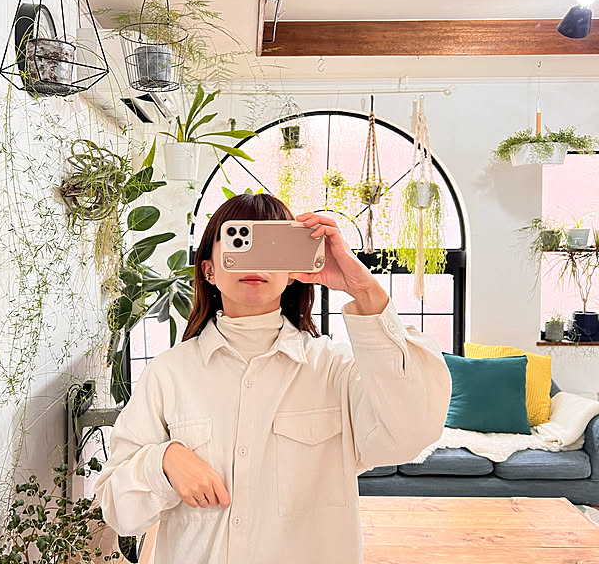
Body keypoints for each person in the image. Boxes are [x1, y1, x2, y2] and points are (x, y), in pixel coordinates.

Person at [95, 193, 451, 564]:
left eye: (272, 245)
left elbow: (411, 432)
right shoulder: (168, 374)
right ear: (209, 269)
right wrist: (164, 462)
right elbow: (119, 512)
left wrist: (363, 289)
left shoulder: (335, 371)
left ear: (292, 267)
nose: (256, 261)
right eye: (240, 240)